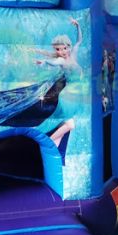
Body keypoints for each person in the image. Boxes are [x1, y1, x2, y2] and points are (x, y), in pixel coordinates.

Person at [33, 17, 83, 151]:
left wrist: (78, 25)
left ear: (69, 47)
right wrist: (44, 61)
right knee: (70, 125)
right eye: (58, 50)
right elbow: (53, 62)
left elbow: (79, 40)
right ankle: (46, 142)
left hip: (76, 92)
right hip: (68, 94)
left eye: (64, 48)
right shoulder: (61, 61)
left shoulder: (74, 54)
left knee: (64, 125)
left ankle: (52, 148)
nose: (62, 52)